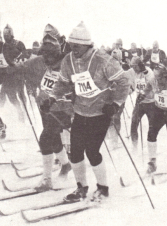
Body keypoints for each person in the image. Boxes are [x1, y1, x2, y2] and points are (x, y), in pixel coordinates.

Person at [45, 22, 129, 202]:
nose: (73, 49)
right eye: (71, 45)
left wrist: (114, 104)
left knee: (92, 151)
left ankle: (103, 188)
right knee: (74, 152)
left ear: (86, 45)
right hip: (80, 112)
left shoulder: (102, 60)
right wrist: (52, 98)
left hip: (100, 113)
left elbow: (123, 82)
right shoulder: (68, 60)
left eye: (77, 46)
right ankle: (81, 188)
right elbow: (62, 82)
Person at [24, 32, 73, 192]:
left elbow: (75, 89)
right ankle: (65, 165)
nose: (44, 59)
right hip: (50, 109)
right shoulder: (49, 65)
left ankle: (47, 180)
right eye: (43, 55)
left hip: (63, 110)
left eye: (47, 55)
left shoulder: (68, 65)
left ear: (55, 53)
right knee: (52, 140)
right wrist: (35, 89)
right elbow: (45, 82)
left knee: (45, 139)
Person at [129, 56, 156, 150]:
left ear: (140, 65)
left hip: (151, 103)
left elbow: (151, 85)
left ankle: (151, 149)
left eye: (135, 67)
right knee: (133, 123)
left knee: (152, 127)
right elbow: (133, 85)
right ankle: (134, 147)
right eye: (132, 67)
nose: (134, 69)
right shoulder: (134, 73)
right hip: (140, 103)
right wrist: (130, 89)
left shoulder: (148, 72)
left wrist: (144, 93)